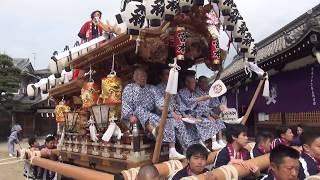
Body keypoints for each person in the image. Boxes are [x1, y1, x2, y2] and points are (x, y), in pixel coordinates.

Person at [122, 67, 185, 159]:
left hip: (151, 116)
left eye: (144, 76)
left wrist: (170, 112)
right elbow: (126, 104)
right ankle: (154, 131)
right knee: (139, 109)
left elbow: (160, 103)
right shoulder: (129, 88)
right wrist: (130, 116)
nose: (143, 78)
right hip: (134, 118)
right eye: (140, 76)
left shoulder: (152, 88)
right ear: (135, 78)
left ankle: (172, 150)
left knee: (168, 120)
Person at [154, 68, 199, 159]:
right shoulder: (158, 88)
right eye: (167, 74)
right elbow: (160, 105)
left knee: (188, 122)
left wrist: (184, 114)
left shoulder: (173, 89)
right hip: (164, 115)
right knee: (175, 122)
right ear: (161, 77)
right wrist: (172, 113)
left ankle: (190, 148)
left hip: (175, 115)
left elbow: (179, 103)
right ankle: (172, 150)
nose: (169, 77)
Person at [178, 71, 221, 151]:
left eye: (195, 82)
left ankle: (214, 142)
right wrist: (201, 99)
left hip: (196, 115)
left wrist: (209, 114)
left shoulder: (193, 93)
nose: (195, 84)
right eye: (193, 82)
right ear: (187, 83)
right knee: (205, 122)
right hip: (185, 116)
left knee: (210, 120)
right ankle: (203, 145)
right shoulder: (182, 92)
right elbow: (188, 102)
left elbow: (200, 106)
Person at [195, 76, 226, 150]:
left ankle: (220, 140)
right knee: (211, 120)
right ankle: (214, 142)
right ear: (199, 83)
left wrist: (212, 114)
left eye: (207, 83)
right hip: (198, 114)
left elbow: (208, 106)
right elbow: (200, 106)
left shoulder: (207, 91)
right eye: (204, 83)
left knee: (218, 119)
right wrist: (209, 115)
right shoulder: (196, 92)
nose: (206, 84)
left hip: (207, 112)